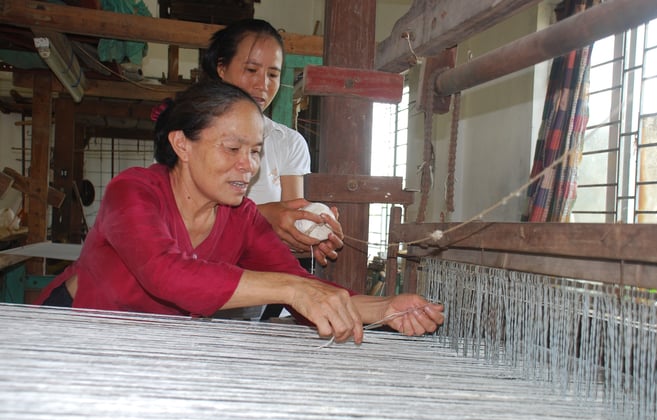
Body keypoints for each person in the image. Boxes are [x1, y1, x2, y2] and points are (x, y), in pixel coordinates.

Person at [35, 81, 444, 344]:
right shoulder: (134, 191)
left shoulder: (241, 217)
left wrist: (386, 308)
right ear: (182, 145)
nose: (248, 166)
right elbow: (166, 274)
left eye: (254, 152)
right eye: (232, 149)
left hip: (155, 347)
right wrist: (288, 289)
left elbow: (304, 288)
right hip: (76, 333)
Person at [202, 19, 342, 320]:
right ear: (222, 68)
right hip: (203, 284)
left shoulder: (288, 142)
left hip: (264, 290)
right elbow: (189, 217)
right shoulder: (195, 135)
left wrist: (311, 232)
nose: (262, 84)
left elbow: (290, 217)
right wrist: (269, 215)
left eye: (273, 74)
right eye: (251, 70)